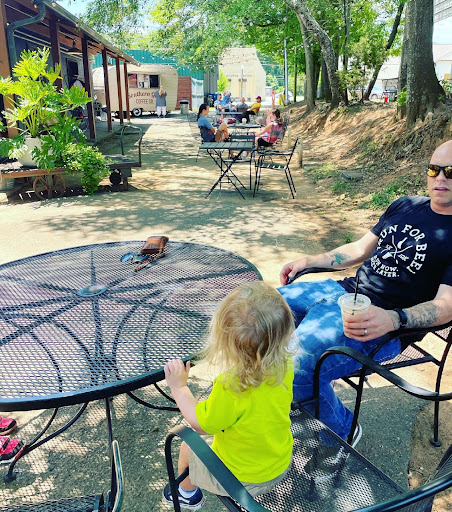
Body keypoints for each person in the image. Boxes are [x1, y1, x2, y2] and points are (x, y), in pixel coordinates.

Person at [278, 139, 452, 444]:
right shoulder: (405, 205)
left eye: (450, 172)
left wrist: (393, 319)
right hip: (343, 293)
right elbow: (359, 249)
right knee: (257, 313)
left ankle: (341, 431)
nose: (439, 178)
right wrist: (309, 261)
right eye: (433, 169)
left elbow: (447, 305)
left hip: (380, 324)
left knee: (297, 363)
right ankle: (292, 396)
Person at [162, 282, 295, 510]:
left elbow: (201, 424)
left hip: (245, 479)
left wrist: (179, 387)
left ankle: (187, 494)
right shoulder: (285, 364)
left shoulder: (232, 386)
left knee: (187, 447)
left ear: (225, 340)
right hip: (279, 460)